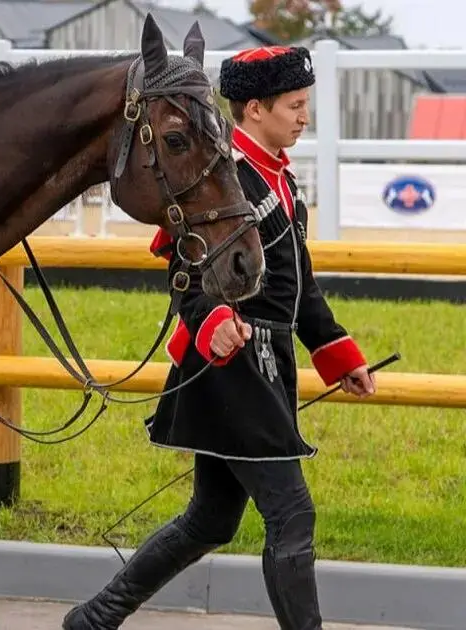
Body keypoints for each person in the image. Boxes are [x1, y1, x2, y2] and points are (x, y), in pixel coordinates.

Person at [62, 45, 377, 630]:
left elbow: (299, 289)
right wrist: (210, 319)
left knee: (212, 518)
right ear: (254, 109)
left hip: (267, 363)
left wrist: (339, 355)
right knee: (291, 513)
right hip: (231, 367)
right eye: (294, 105)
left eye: (305, 104)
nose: (304, 116)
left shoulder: (282, 183)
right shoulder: (219, 176)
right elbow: (184, 276)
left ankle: (95, 618)